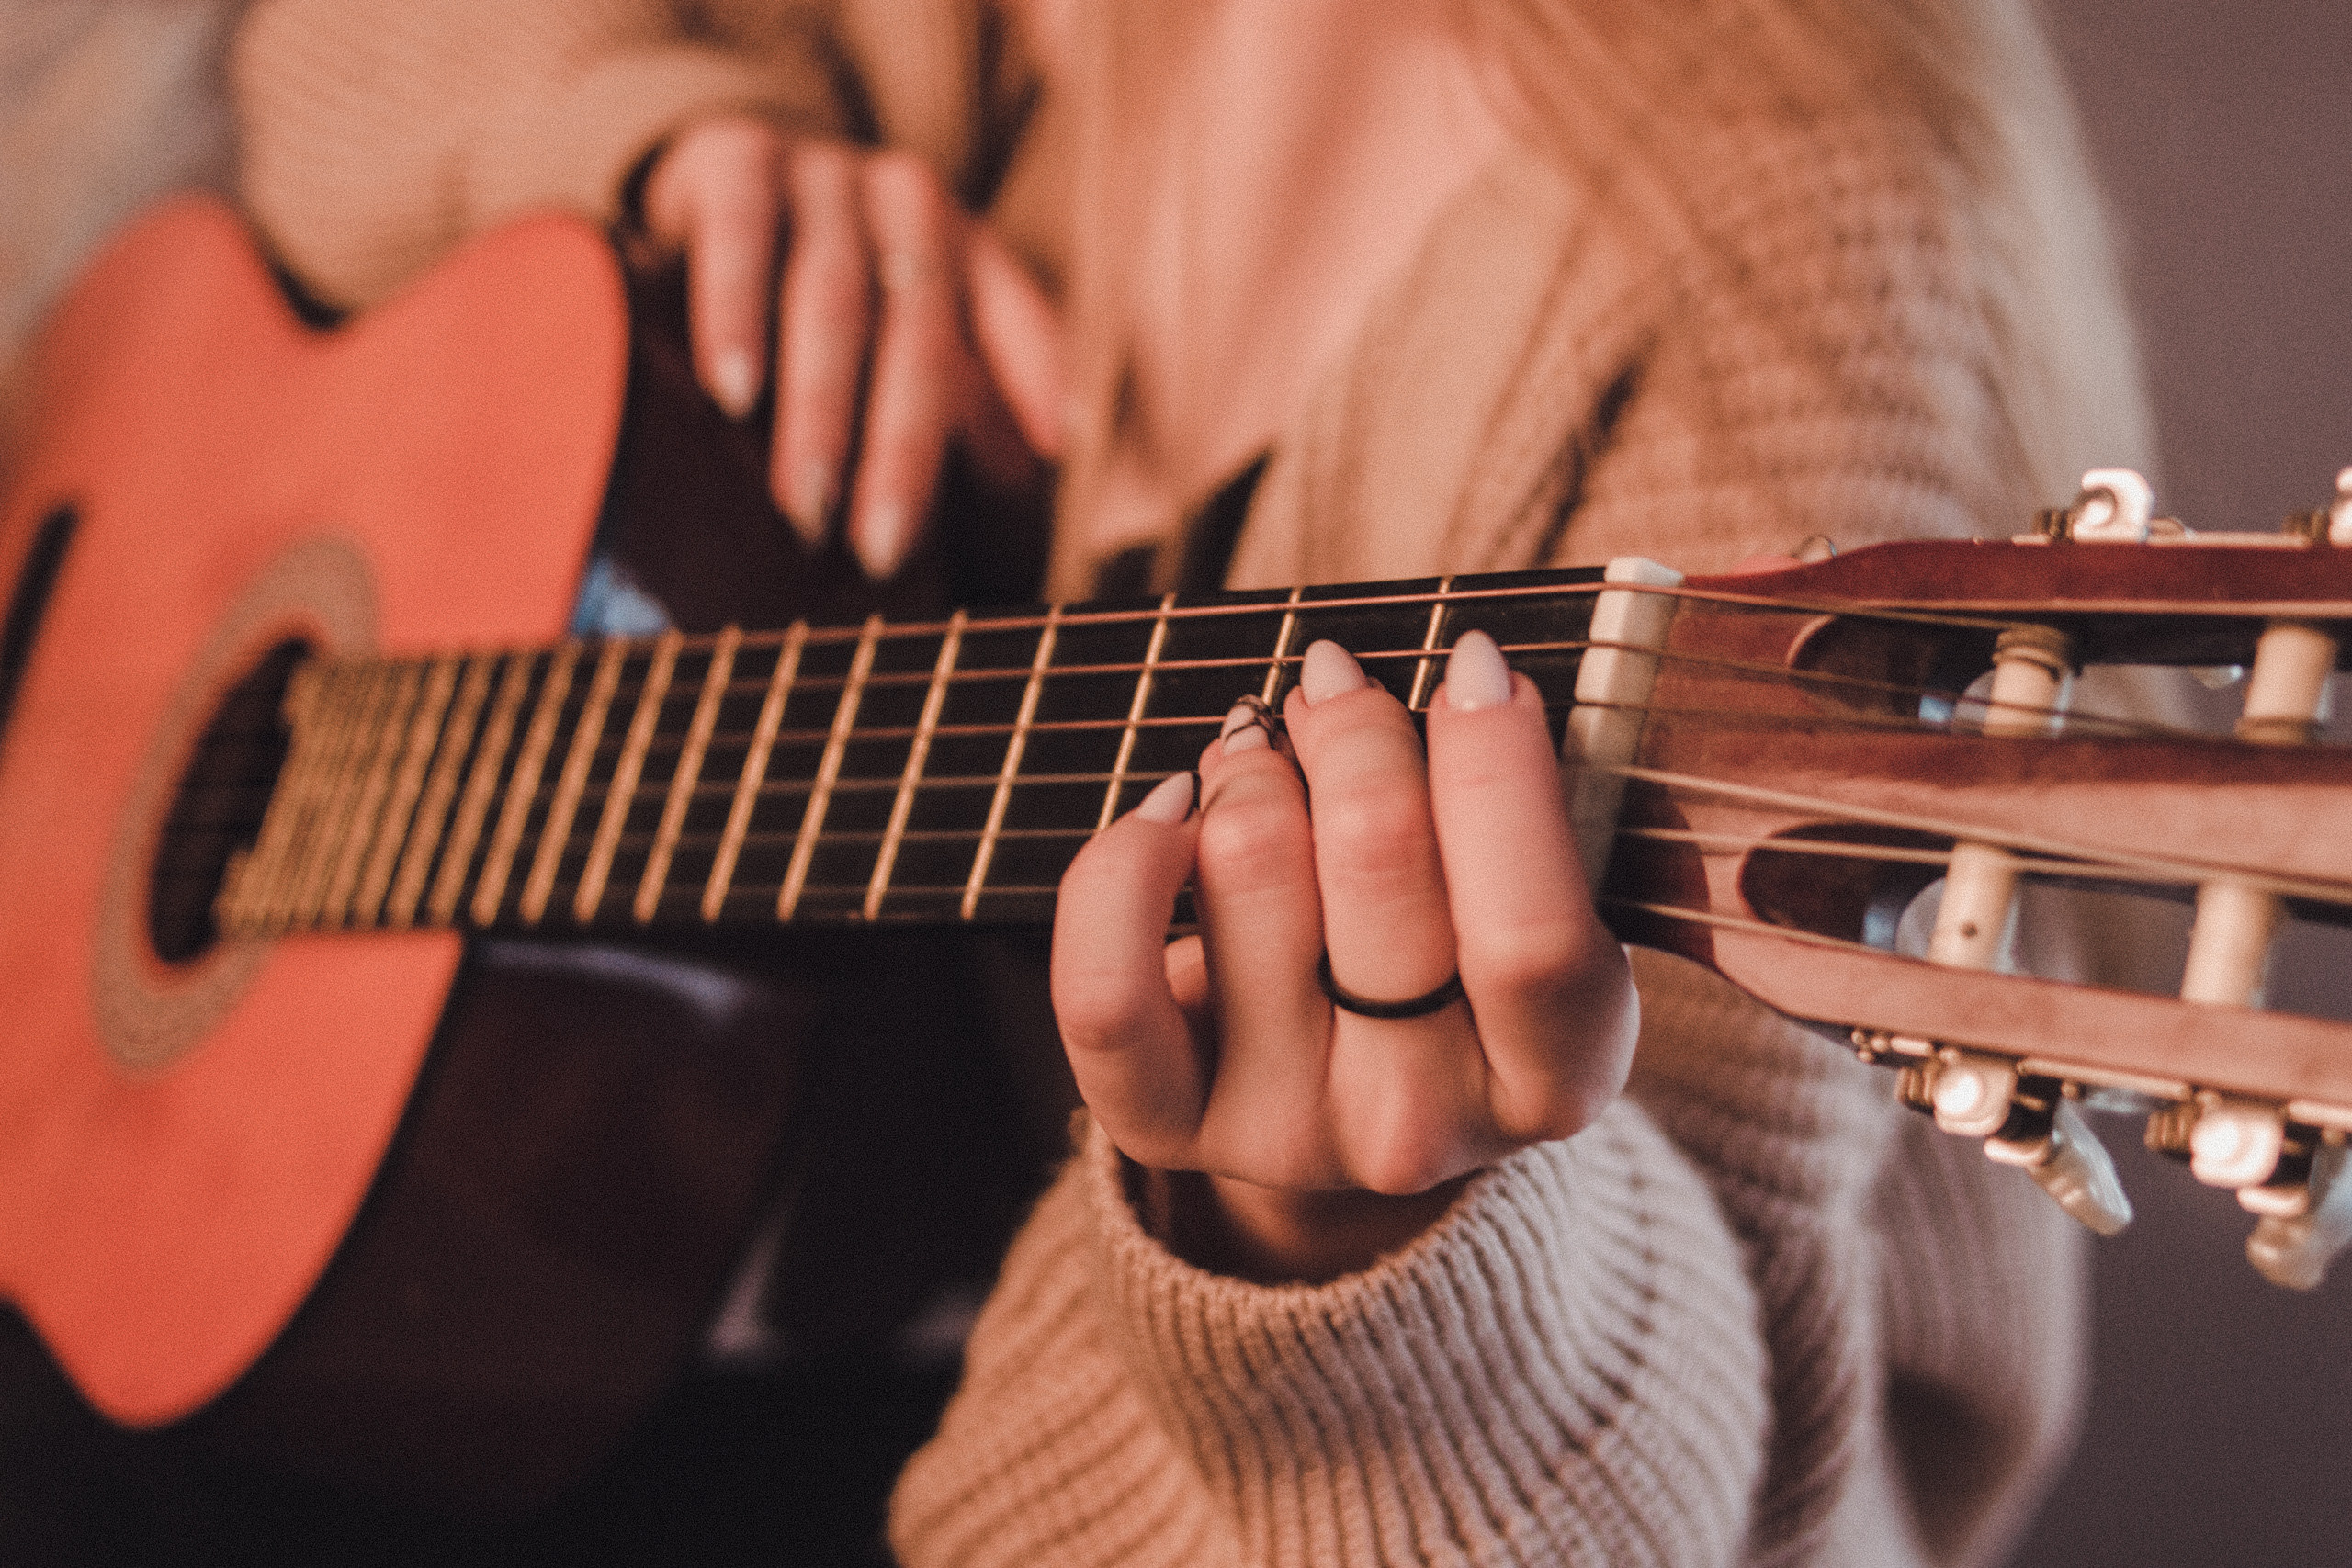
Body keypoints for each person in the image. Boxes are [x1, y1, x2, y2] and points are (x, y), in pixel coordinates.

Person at [220, 1, 2153, 1562]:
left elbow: (1761, 1482)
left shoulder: (1814, 253)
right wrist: (654, 136)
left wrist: (1362, 1264)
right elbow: (320, 55)